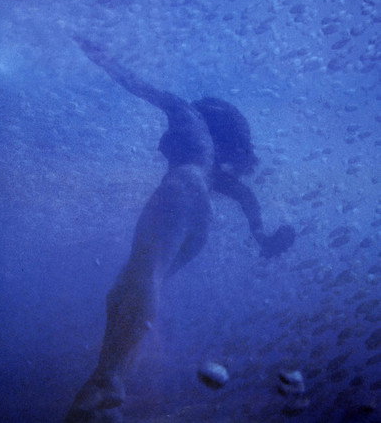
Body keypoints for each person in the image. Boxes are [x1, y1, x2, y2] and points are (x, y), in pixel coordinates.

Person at [66, 38, 295, 422]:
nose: (160, 143)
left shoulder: (187, 114)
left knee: (141, 281)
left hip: (179, 191)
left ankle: (107, 386)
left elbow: (139, 85)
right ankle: (110, 384)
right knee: (129, 288)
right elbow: (246, 197)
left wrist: (102, 57)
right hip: (198, 222)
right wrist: (264, 238)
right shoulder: (212, 167)